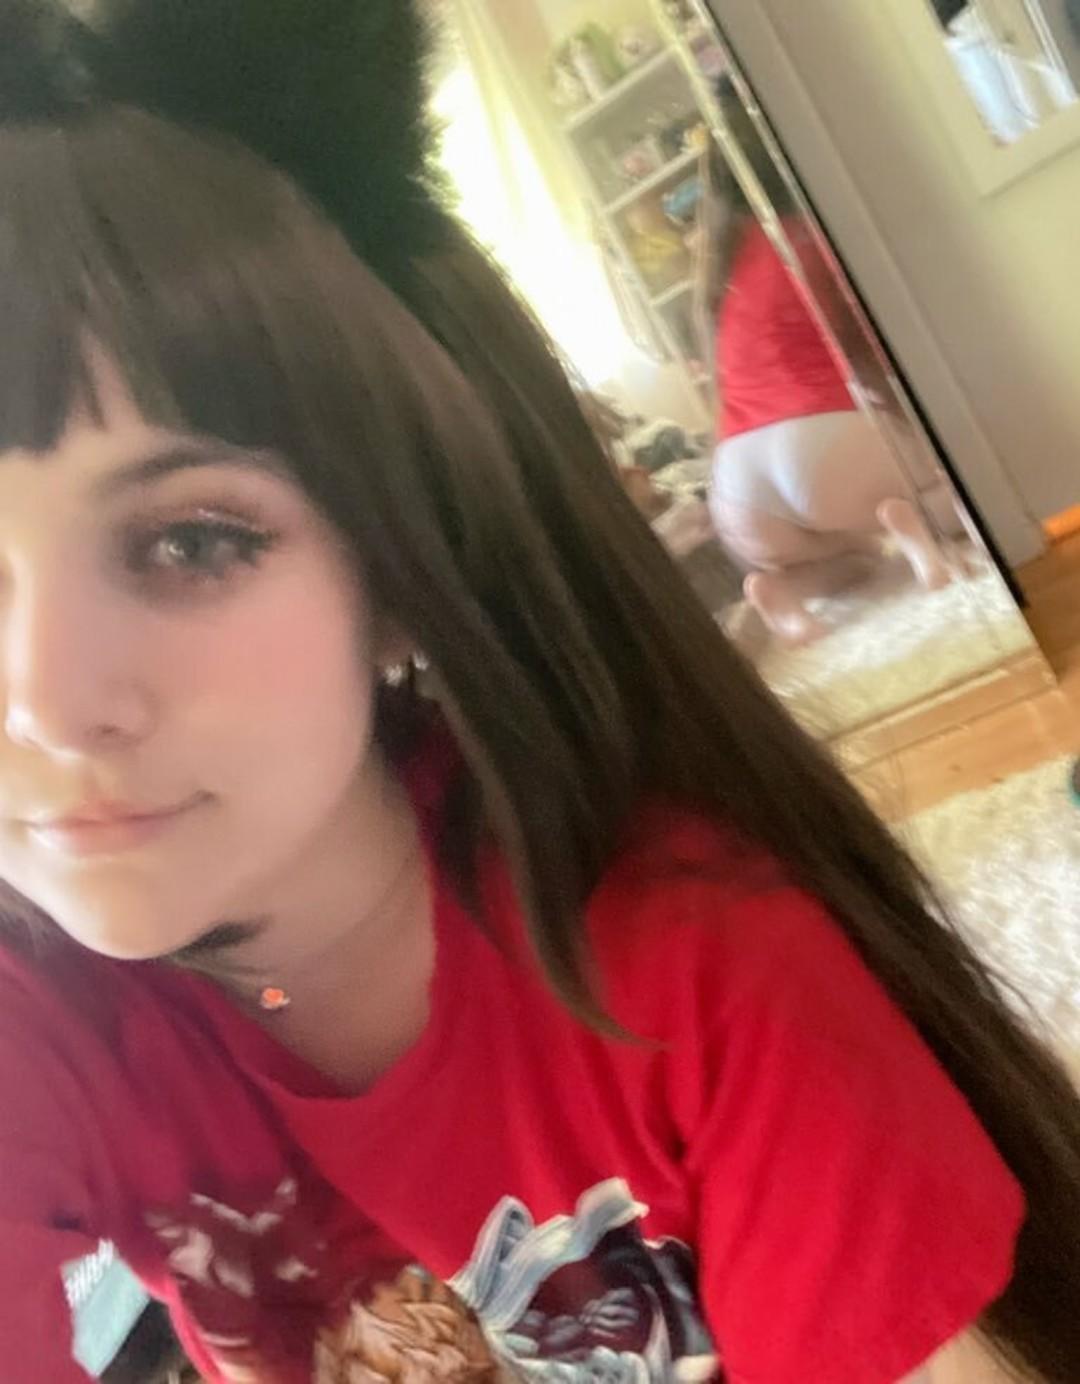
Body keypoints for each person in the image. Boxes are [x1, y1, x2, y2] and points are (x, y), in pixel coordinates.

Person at [0, 3, 1078, 1381]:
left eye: (190, 543)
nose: (45, 704)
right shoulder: (47, 1014)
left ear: (400, 563)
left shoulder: (690, 968)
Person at [698, 88, 955, 644]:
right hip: (822, 446)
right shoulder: (811, 239)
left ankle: (785, 595)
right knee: (954, 487)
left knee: (857, 559)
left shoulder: (720, 270)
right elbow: (874, 357)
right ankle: (915, 525)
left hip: (738, 486)